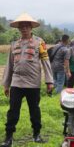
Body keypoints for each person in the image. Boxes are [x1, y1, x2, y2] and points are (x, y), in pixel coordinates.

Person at [1, 13, 54, 147]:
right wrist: (6, 84)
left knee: (34, 110)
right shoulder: (14, 44)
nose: (24, 29)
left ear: (31, 28)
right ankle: (8, 138)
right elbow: (10, 65)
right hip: (16, 83)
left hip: (33, 84)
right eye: (21, 27)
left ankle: (37, 135)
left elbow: (46, 61)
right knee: (13, 111)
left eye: (26, 26)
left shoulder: (39, 42)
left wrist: (49, 81)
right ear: (18, 29)